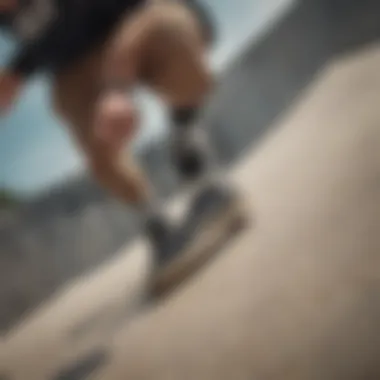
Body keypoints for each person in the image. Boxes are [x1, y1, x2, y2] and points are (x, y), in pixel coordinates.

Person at [0, 0, 242, 272]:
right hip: (74, 66)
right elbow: (45, 37)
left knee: (169, 26)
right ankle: (156, 222)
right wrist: (16, 71)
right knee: (74, 109)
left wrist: (118, 83)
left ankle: (194, 161)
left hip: (133, 18)